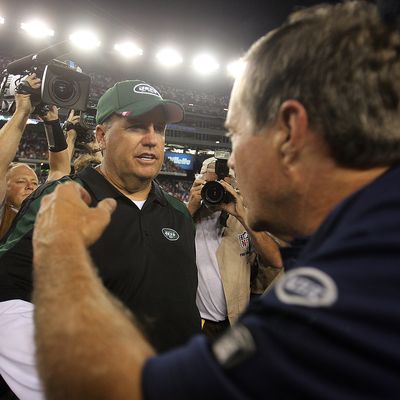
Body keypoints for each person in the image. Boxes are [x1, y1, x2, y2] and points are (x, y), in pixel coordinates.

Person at [32, 1, 400, 398]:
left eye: (234, 134)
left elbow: (114, 390)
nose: (234, 160)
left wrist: (60, 253)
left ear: (290, 133)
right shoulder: (365, 239)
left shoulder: (345, 291)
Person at [0, 80, 200, 399]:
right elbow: (6, 292)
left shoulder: (178, 212)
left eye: (159, 129)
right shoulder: (63, 198)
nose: (152, 140)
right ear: (102, 137)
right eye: (136, 127)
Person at [188, 156, 282, 339]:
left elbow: (275, 260)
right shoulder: (187, 216)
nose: (214, 191)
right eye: (209, 184)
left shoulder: (246, 218)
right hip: (195, 321)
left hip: (234, 322)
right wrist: (190, 209)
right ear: (198, 182)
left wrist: (241, 215)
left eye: (222, 186)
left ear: (232, 186)